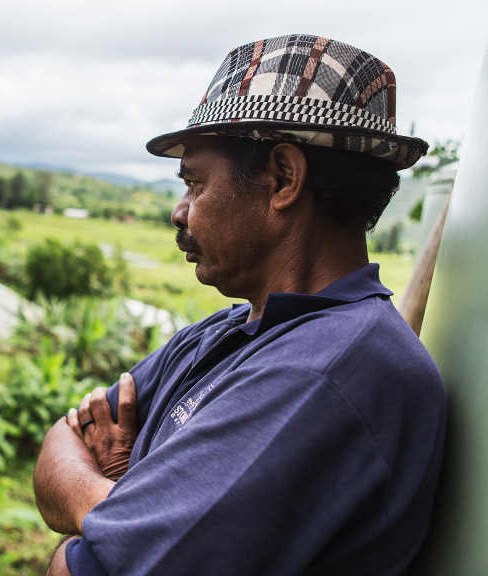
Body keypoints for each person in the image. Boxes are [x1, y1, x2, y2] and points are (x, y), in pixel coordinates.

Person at [34, 34, 446, 576]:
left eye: (196, 184)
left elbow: (80, 571)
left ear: (283, 178)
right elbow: (58, 444)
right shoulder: (228, 332)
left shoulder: (333, 371)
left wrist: (107, 504)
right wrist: (118, 505)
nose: (181, 213)